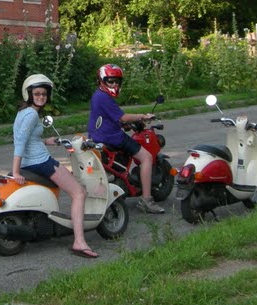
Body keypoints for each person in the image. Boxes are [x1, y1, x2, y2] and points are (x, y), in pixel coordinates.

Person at [11, 73, 99, 259]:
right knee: (79, 192)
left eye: (44, 94)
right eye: (37, 94)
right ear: (29, 94)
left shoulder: (23, 112)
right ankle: (79, 242)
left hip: (32, 159)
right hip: (40, 162)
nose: (41, 97)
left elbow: (28, 139)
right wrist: (15, 171)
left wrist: (46, 140)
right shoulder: (32, 114)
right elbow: (19, 141)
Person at [88, 64, 165, 214]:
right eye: (110, 81)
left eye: (117, 81)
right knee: (147, 157)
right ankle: (147, 200)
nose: (114, 84)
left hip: (99, 136)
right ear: (101, 81)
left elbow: (108, 117)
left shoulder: (98, 95)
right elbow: (123, 116)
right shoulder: (104, 97)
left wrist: (124, 125)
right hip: (112, 137)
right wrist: (143, 116)